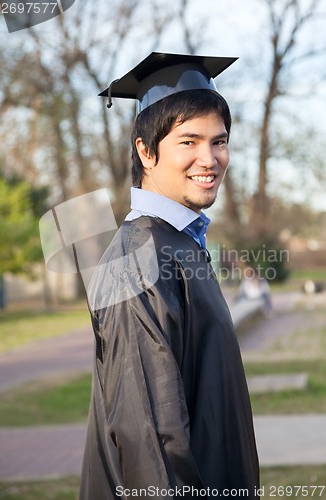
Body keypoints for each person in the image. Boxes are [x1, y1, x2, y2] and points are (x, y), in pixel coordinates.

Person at [80, 52, 259, 499]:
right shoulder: (137, 259)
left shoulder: (180, 243)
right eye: (189, 141)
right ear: (145, 150)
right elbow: (151, 441)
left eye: (219, 142)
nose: (210, 158)